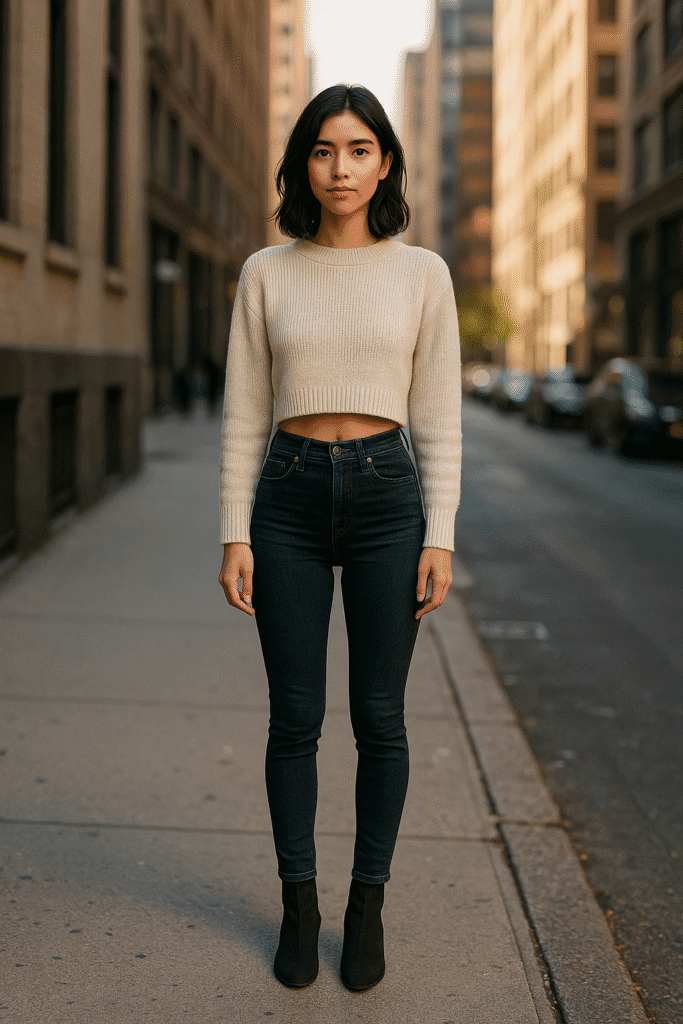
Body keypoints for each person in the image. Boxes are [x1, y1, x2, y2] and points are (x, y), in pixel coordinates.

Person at [218, 84, 461, 991]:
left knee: (381, 719)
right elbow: (243, 410)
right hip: (282, 494)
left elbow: (438, 415)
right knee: (295, 718)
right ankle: (299, 903)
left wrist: (439, 532)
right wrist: (231, 532)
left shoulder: (422, 273)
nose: (341, 167)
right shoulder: (266, 272)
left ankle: (366, 906)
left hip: (387, 497)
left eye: (358, 150)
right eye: (323, 151)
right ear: (301, 166)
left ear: (385, 161)